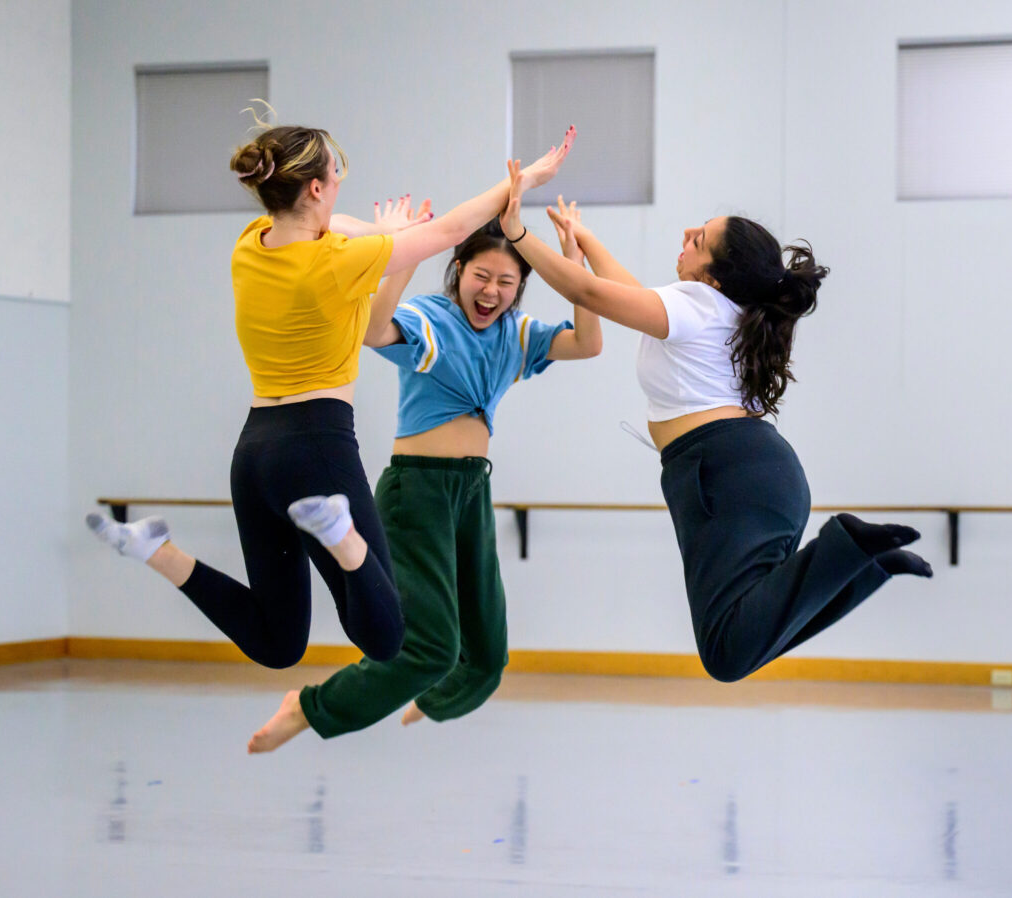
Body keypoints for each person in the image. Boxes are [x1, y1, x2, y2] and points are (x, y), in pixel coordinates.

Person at [85, 111, 576, 669]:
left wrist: (387, 233)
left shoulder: (250, 246)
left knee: (277, 642)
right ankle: (341, 534)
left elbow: (337, 223)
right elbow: (450, 230)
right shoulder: (339, 261)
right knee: (385, 636)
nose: (340, 183)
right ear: (315, 187)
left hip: (253, 455)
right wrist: (522, 181)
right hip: (316, 444)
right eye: (335, 173)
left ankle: (158, 552)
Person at [494, 160, 932, 683]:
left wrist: (515, 233)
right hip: (752, 475)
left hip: (722, 475)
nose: (685, 234)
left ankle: (851, 551)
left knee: (728, 650)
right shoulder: (717, 312)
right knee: (745, 636)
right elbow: (626, 292)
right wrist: (584, 240)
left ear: (712, 275)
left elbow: (591, 295)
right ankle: (865, 566)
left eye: (698, 239)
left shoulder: (696, 305)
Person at [248, 205, 600, 752]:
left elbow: (588, 342)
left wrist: (574, 260)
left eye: (507, 282)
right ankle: (310, 707)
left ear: (520, 288)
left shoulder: (516, 334)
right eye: (481, 276)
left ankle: (425, 699)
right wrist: (403, 251)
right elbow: (370, 330)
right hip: (417, 494)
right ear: (458, 269)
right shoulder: (431, 318)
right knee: (432, 649)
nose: (491, 292)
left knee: (486, 661)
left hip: (471, 492)